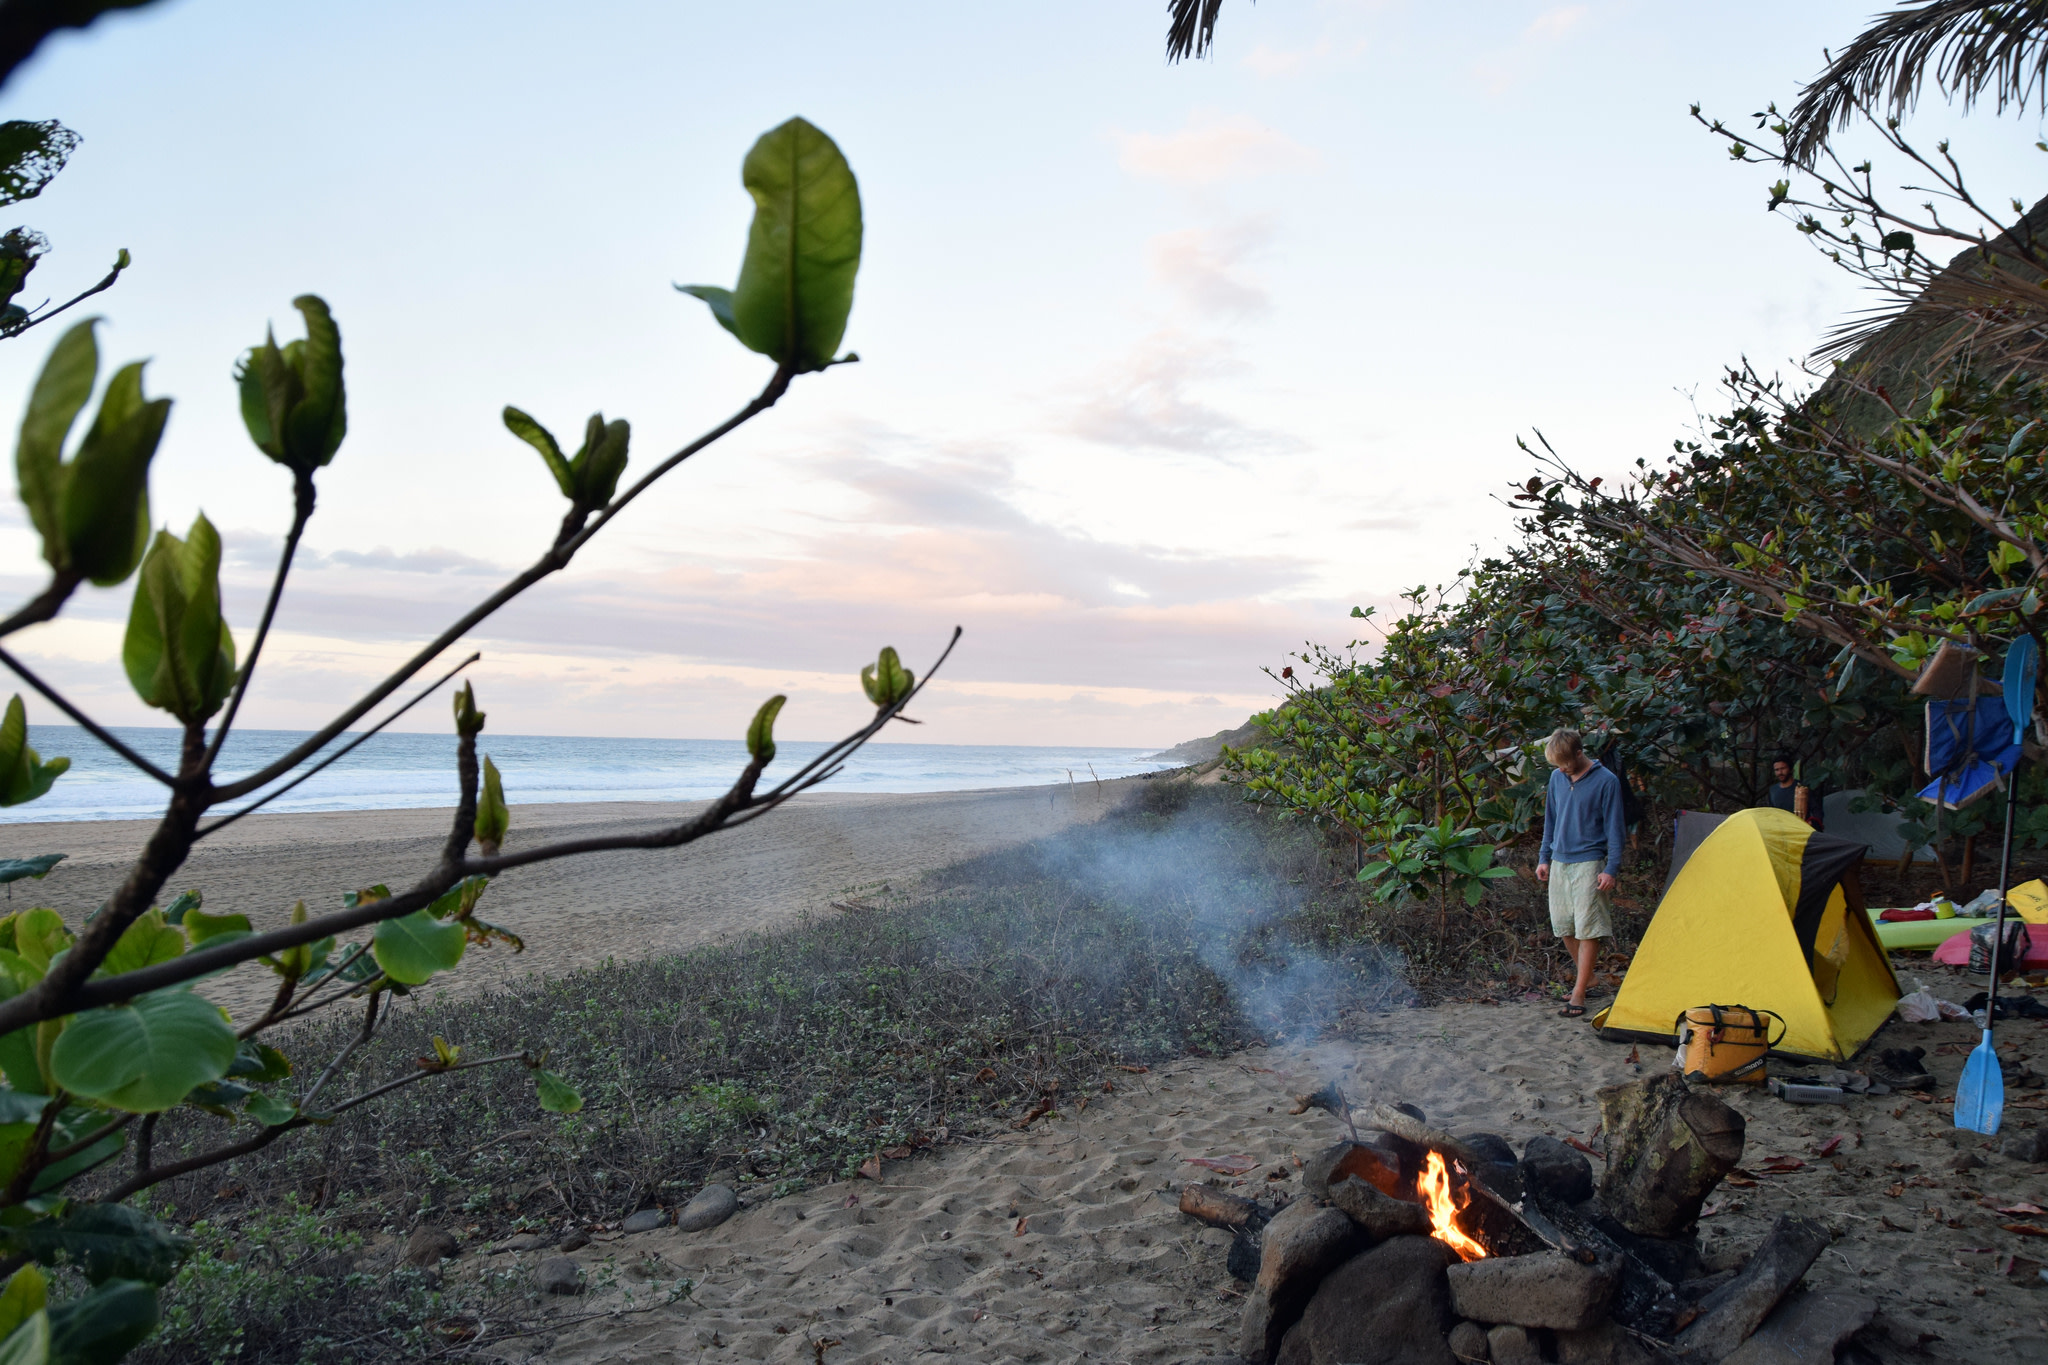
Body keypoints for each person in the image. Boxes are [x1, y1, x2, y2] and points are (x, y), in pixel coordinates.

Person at [1535, 727, 1626, 1018]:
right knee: (1563, 925)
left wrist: (1611, 868)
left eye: (1565, 763)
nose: (1562, 769)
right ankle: (1590, 978)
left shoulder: (1606, 781)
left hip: (1590, 860)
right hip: (1560, 859)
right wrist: (1544, 857)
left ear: (1579, 753)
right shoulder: (1557, 777)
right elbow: (1551, 818)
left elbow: (1616, 828)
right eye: (1557, 765)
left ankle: (1579, 991)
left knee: (1588, 927)